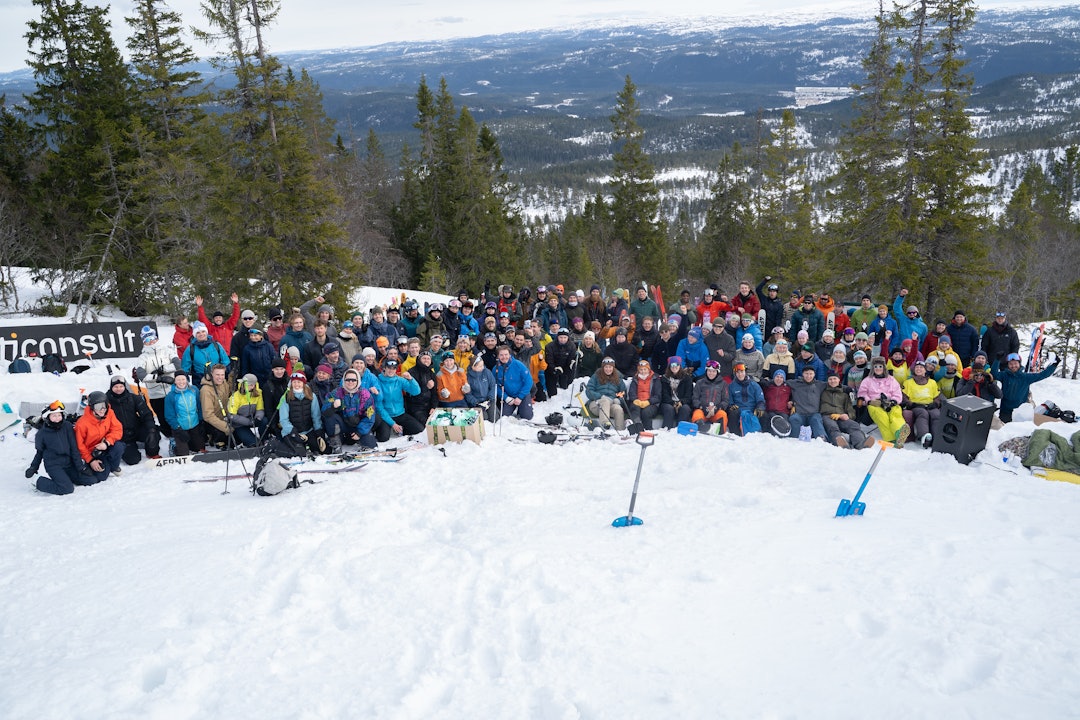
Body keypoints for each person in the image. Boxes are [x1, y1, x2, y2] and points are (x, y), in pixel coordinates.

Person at [25, 401, 90, 495]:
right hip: (54, 465)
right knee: (67, 489)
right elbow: (39, 453)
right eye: (54, 416)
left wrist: (80, 467)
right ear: (47, 417)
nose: (57, 418)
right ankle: (37, 481)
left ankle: (66, 477)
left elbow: (73, 448)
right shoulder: (41, 434)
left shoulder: (67, 426)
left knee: (89, 480)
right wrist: (33, 468)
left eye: (59, 415)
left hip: (68, 463)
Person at [134, 325, 181, 439]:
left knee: (178, 416)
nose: (150, 342)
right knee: (163, 419)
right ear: (144, 342)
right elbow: (141, 375)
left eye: (152, 338)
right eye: (147, 340)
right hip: (156, 394)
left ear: (156, 338)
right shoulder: (142, 357)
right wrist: (157, 377)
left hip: (172, 391)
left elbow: (177, 364)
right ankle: (171, 440)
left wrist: (163, 369)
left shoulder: (167, 351)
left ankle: (183, 440)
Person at [106, 373, 161, 463]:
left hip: (136, 429)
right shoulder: (106, 401)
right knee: (133, 460)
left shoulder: (133, 398)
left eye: (121, 386)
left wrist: (151, 429)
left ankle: (152, 453)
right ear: (111, 388)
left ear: (124, 387)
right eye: (116, 387)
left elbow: (146, 414)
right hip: (121, 435)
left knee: (153, 434)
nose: (119, 389)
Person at [993, 351, 1060, 423]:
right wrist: (997, 360)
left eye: (1015, 363)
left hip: (1020, 412)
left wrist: (1054, 365)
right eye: (1011, 364)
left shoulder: (1025, 377)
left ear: (1019, 364)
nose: (1013, 366)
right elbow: (994, 375)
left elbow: (1042, 375)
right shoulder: (1004, 375)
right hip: (1005, 411)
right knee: (1004, 431)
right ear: (1008, 365)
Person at [858, 356, 910, 447]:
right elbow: (862, 394)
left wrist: (893, 401)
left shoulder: (891, 379)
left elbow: (897, 392)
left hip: (889, 402)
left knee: (895, 413)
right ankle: (890, 438)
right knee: (881, 416)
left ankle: (899, 433)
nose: (878, 369)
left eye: (880, 367)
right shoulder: (867, 380)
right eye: (876, 367)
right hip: (875, 404)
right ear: (873, 368)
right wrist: (869, 401)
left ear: (884, 368)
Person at [75, 391, 125, 482]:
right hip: (91, 452)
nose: (102, 409)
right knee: (102, 477)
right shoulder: (82, 424)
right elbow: (79, 446)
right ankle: (105, 465)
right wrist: (90, 460)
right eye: (98, 407)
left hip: (104, 445)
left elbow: (117, 429)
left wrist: (107, 443)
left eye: (104, 405)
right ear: (91, 407)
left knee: (119, 446)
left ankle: (113, 467)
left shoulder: (109, 413)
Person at [322, 368, 377, 451]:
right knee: (330, 417)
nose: (350, 382)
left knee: (371, 446)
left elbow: (370, 416)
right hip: (343, 424)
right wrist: (332, 405)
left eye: (353, 380)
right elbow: (324, 411)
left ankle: (359, 439)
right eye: (348, 380)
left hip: (358, 425)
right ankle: (335, 442)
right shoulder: (336, 393)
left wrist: (360, 432)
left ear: (357, 380)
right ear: (344, 380)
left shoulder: (365, 395)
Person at [374, 358, 424, 440]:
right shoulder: (378, 381)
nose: (391, 370)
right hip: (386, 415)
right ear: (384, 368)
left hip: (400, 413)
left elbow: (416, 391)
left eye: (394, 368)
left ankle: (400, 430)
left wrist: (411, 379)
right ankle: (388, 429)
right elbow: (379, 407)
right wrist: (393, 424)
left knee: (419, 429)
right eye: (389, 368)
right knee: (383, 438)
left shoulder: (399, 380)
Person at [278, 371, 327, 454]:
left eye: (299, 382)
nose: (297, 385)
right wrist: (293, 432)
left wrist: (319, 432)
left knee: (322, 450)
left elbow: (316, 416)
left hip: (308, 430)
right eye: (294, 382)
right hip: (292, 431)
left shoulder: (311, 395)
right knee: (299, 453)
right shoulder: (285, 397)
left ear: (303, 383)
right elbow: (283, 419)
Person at [820, 372, 869, 449]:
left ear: (839, 380)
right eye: (830, 379)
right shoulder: (822, 391)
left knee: (854, 425)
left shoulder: (844, 394)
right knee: (832, 427)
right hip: (827, 416)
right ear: (827, 381)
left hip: (841, 416)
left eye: (834, 379)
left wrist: (847, 415)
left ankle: (860, 444)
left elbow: (850, 409)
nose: (832, 381)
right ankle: (841, 443)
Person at [164, 371, 206, 456]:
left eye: (183, 379)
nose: (181, 382)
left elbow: (199, 405)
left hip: (194, 424)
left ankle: (191, 443)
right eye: (178, 380)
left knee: (199, 448)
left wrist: (201, 420)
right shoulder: (171, 396)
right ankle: (174, 445)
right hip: (180, 427)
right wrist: (178, 428)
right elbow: (169, 415)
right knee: (183, 454)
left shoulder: (194, 390)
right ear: (175, 381)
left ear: (187, 380)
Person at [901, 360, 941, 447]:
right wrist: (912, 404)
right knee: (923, 414)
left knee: (936, 414)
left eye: (921, 367)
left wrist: (935, 404)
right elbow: (904, 398)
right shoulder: (908, 382)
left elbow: (937, 397)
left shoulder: (932, 382)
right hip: (917, 405)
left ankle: (937, 437)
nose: (919, 369)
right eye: (917, 367)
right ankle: (924, 436)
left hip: (930, 405)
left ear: (925, 370)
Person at [181, 321, 230, 387]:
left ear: (206, 332)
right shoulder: (190, 349)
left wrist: (224, 374)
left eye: (203, 331)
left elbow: (225, 361)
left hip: (218, 378)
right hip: (200, 380)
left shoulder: (216, 345)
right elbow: (185, 367)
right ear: (195, 335)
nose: (201, 334)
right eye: (198, 332)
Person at [493, 345, 535, 421]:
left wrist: (520, 397)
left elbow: (529, 381)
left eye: (506, 354)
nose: (504, 357)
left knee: (527, 416)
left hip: (522, 394)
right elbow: (496, 387)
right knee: (504, 415)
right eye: (501, 355)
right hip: (509, 396)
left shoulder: (518, 364)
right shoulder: (495, 369)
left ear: (510, 355)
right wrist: (506, 398)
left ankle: (524, 407)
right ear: (498, 356)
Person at [585, 357, 626, 430]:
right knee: (605, 401)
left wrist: (619, 400)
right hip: (596, 404)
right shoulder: (596, 376)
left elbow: (623, 393)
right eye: (606, 367)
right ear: (603, 367)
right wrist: (600, 396)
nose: (608, 369)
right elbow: (588, 391)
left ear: (613, 368)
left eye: (610, 367)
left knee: (618, 408)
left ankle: (621, 431)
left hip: (611, 405)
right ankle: (604, 425)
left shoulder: (618, 379)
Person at [200, 363, 233, 449]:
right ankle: (212, 437)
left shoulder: (223, 383)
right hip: (212, 422)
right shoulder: (206, 390)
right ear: (211, 374)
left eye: (222, 375)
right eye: (217, 375)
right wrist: (225, 427)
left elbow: (229, 393)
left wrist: (232, 376)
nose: (220, 377)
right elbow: (208, 416)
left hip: (225, 417)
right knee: (222, 435)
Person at [789, 366, 827, 440]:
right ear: (803, 374)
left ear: (814, 374)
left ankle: (821, 438)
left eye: (811, 374)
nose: (808, 376)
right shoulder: (796, 383)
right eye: (806, 374)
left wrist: (847, 388)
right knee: (794, 418)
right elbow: (780, 381)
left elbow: (833, 384)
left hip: (813, 413)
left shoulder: (819, 384)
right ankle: (793, 439)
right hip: (800, 413)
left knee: (817, 420)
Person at [727, 362, 766, 435]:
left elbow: (760, 399)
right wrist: (731, 406)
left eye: (742, 372)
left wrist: (760, 407)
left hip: (752, 410)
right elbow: (730, 401)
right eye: (737, 372)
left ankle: (761, 434)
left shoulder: (754, 385)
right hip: (739, 410)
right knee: (733, 414)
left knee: (763, 414)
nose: (740, 374)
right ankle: (736, 434)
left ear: (745, 372)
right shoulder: (731, 386)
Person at [226, 374, 264, 447]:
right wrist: (248, 422)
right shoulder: (235, 396)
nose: (251, 386)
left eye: (252, 385)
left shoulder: (258, 393)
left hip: (253, 420)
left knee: (264, 421)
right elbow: (231, 415)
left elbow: (260, 408)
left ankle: (264, 438)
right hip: (240, 424)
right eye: (247, 384)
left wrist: (258, 418)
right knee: (254, 443)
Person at [658, 356, 693, 429]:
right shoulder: (664, 378)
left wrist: (681, 402)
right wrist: (673, 403)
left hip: (682, 402)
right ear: (669, 366)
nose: (674, 367)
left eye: (677, 365)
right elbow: (664, 394)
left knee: (685, 408)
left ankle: (681, 429)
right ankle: (666, 429)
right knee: (669, 409)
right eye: (672, 365)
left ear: (680, 366)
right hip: (668, 402)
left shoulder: (687, 378)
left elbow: (688, 395)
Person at [626, 358, 662, 430]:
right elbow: (631, 393)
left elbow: (658, 396)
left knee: (646, 412)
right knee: (635, 409)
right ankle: (636, 428)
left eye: (645, 369)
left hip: (651, 403)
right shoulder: (635, 379)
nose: (643, 372)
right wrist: (635, 400)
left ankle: (648, 429)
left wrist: (648, 402)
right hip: (638, 401)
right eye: (641, 370)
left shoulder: (655, 379)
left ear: (648, 369)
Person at [405, 350, 439, 425]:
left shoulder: (431, 373)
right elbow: (410, 393)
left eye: (428, 358)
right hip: (416, 406)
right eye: (424, 358)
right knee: (426, 424)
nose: (426, 360)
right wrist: (425, 387)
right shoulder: (412, 372)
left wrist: (433, 407)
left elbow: (434, 393)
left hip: (429, 406)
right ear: (419, 359)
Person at [465, 355, 498, 422]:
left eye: (483, 365)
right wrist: (476, 402)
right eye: (480, 366)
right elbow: (467, 394)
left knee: (494, 418)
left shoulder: (487, 372)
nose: (482, 367)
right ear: (473, 367)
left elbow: (493, 385)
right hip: (477, 402)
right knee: (484, 419)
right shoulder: (467, 377)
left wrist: (490, 398)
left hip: (488, 400)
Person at [763, 369, 793, 437]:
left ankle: (783, 435)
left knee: (784, 420)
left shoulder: (787, 388)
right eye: (777, 377)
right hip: (771, 410)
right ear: (774, 378)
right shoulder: (768, 387)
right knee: (770, 417)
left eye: (781, 377)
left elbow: (793, 397)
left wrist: (792, 402)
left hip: (783, 411)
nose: (779, 379)